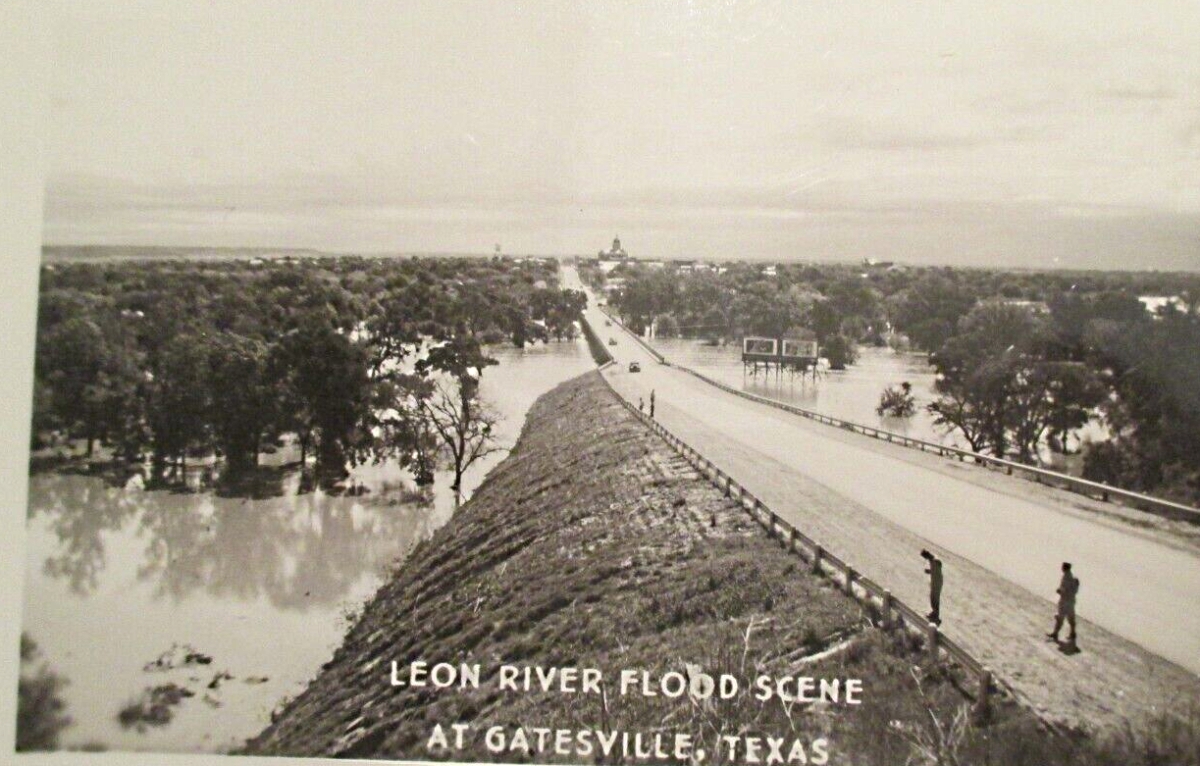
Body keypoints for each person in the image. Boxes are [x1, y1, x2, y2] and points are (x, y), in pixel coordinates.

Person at [1047, 562, 1079, 647]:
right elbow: (1074, 590)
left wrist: (1059, 591)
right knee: (1070, 618)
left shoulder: (1066, 578)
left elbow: (1064, 590)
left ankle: (1055, 633)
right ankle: (1072, 633)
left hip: (1065, 601)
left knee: (1060, 617)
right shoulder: (1072, 578)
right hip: (1071, 601)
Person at [920, 549, 943, 624]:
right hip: (934, 581)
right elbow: (935, 569)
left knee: (935, 598)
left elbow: (939, 564)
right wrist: (929, 571)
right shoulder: (931, 560)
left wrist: (931, 570)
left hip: (937, 582)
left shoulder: (935, 559)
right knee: (932, 597)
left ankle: (936, 615)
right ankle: (934, 612)